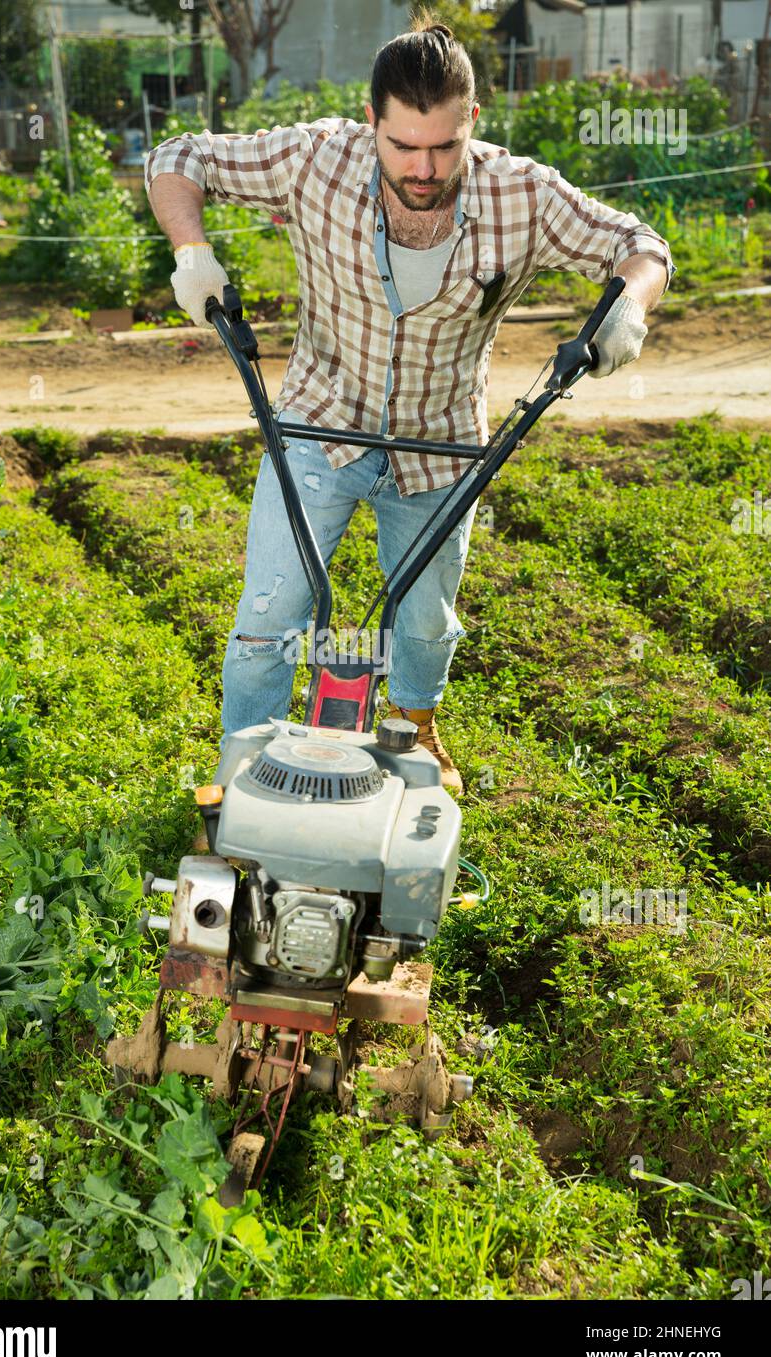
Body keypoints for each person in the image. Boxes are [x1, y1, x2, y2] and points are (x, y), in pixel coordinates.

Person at [144, 11, 674, 795]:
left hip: (443, 448)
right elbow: (174, 156)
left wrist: (628, 307)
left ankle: (416, 726)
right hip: (318, 432)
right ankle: (244, 764)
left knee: (425, 622)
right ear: (371, 124)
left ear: (472, 123)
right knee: (271, 616)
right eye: (404, 147)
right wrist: (192, 253)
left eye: (443, 147)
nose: (423, 168)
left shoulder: (520, 193)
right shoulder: (314, 159)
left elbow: (642, 245)